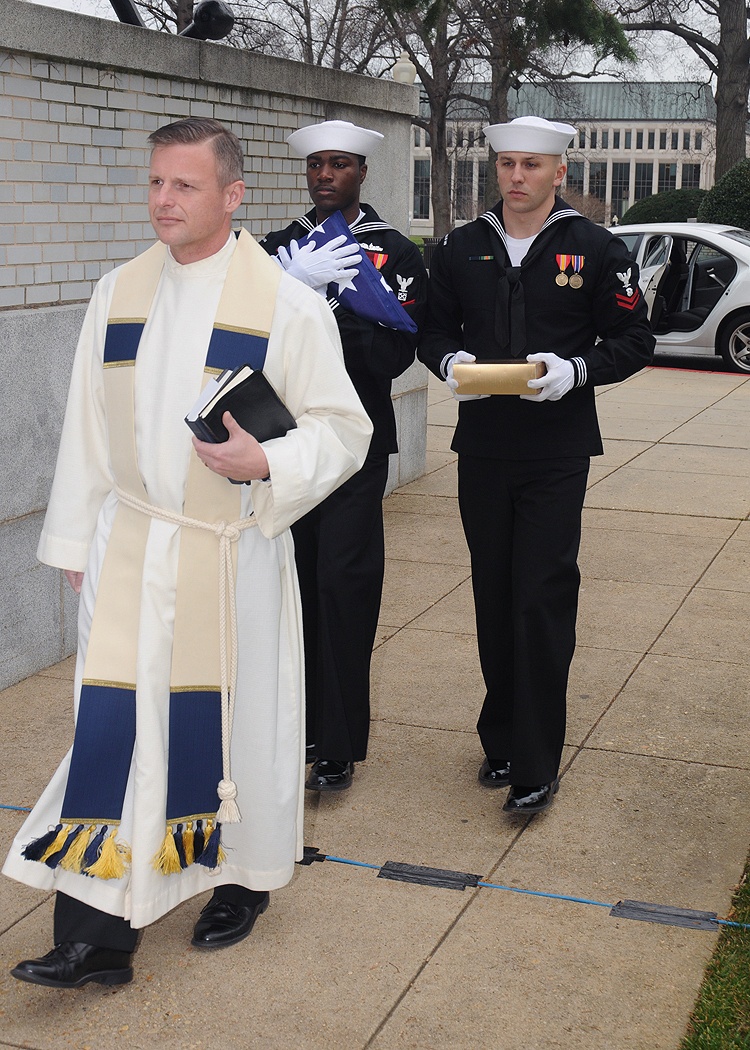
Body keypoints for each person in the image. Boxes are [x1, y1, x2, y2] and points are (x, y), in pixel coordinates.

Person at [3, 117, 372, 988]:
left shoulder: (285, 303)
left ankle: (240, 879)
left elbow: (343, 430)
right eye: (156, 183)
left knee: (237, 727)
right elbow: (88, 428)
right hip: (129, 545)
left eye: (185, 186)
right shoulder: (118, 291)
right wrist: (73, 539)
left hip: (228, 552)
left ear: (233, 195)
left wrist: (268, 461)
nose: (163, 201)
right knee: (115, 727)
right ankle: (94, 935)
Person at [418, 116, 654, 815]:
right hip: (484, 448)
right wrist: (448, 360)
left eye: (531, 165)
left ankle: (538, 762)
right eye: (506, 164)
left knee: (541, 598)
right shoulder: (461, 248)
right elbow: (430, 329)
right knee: (494, 595)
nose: (516, 177)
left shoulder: (596, 248)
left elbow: (635, 337)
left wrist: (578, 369)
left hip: (557, 450)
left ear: (559, 172)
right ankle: (503, 741)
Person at [260, 120, 427, 792]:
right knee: (290, 588)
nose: (324, 176)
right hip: (284, 444)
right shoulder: (277, 249)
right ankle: (294, 723)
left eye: (338, 165)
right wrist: (293, 286)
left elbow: (394, 354)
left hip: (356, 443)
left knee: (344, 588)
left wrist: (332, 311)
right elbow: (249, 351)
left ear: (362, 172)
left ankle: (337, 742)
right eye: (315, 167)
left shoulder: (395, 253)